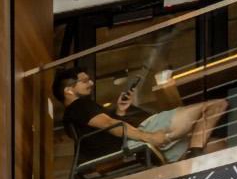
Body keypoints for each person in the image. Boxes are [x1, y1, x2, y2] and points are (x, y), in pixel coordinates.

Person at [56, 69, 227, 166]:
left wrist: (121, 111)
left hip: (132, 143)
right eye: (85, 81)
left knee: (216, 144)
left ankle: (193, 154)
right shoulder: (79, 105)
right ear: (69, 90)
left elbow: (107, 129)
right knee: (216, 105)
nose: (91, 83)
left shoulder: (74, 115)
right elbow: (109, 124)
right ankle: (194, 152)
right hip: (142, 134)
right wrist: (150, 137)